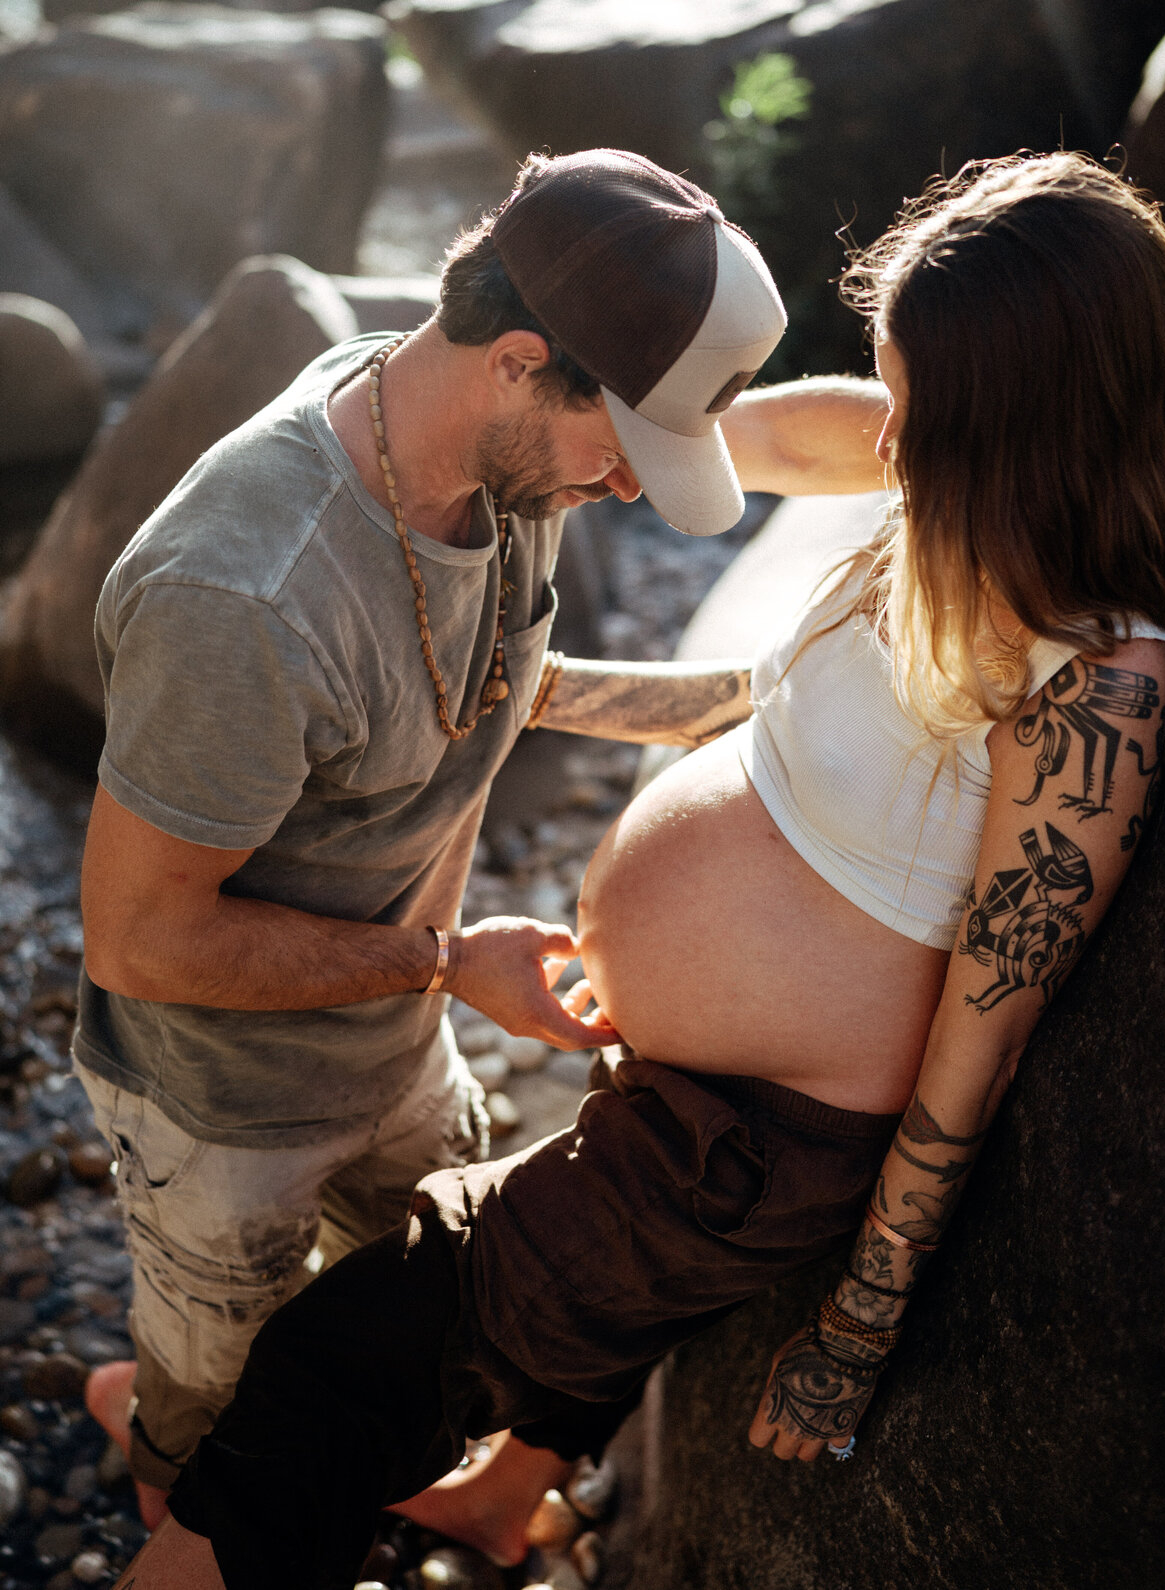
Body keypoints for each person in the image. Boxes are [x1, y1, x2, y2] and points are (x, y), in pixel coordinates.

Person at [114, 149, 1165, 1590]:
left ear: (1026, 415)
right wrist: (542, 682)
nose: (887, 439)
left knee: (354, 1353)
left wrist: (859, 1325)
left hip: (746, 1139)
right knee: (558, 1283)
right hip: (689, 1073)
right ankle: (504, 1497)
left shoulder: (1097, 677)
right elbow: (771, 660)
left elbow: (985, 1036)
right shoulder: (966, 496)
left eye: (915, 406)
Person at [75, 146, 790, 1539]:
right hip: (224, 1114)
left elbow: (491, 683)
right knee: (212, 1433)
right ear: (521, 361)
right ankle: (155, 1456)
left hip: (403, 1035)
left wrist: (775, 700)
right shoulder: (244, 594)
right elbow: (138, 938)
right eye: (623, 448)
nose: (628, 492)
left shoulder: (492, 464)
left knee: (410, 1348)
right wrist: (449, 962)